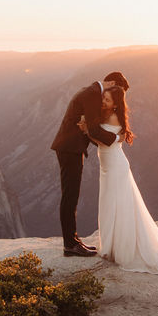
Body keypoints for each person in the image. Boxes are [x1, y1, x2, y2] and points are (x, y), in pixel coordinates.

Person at [80, 86, 158, 273]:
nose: (103, 102)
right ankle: (112, 245)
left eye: (108, 100)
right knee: (109, 203)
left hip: (115, 167)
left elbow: (105, 140)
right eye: (104, 98)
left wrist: (88, 130)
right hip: (108, 166)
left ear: (116, 104)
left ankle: (121, 249)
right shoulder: (106, 115)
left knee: (116, 204)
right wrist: (89, 130)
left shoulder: (113, 118)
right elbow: (102, 140)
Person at [50, 71, 130, 257]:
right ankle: (70, 245)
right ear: (110, 82)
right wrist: (118, 138)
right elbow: (93, 129)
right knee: (70, 197)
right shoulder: (92, 94)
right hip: (70, 149)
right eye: (116, 89)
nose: (115, 94)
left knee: (71, 195)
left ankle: (73, 240)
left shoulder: (92, 91)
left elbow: (92, 130)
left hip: (71, 148)